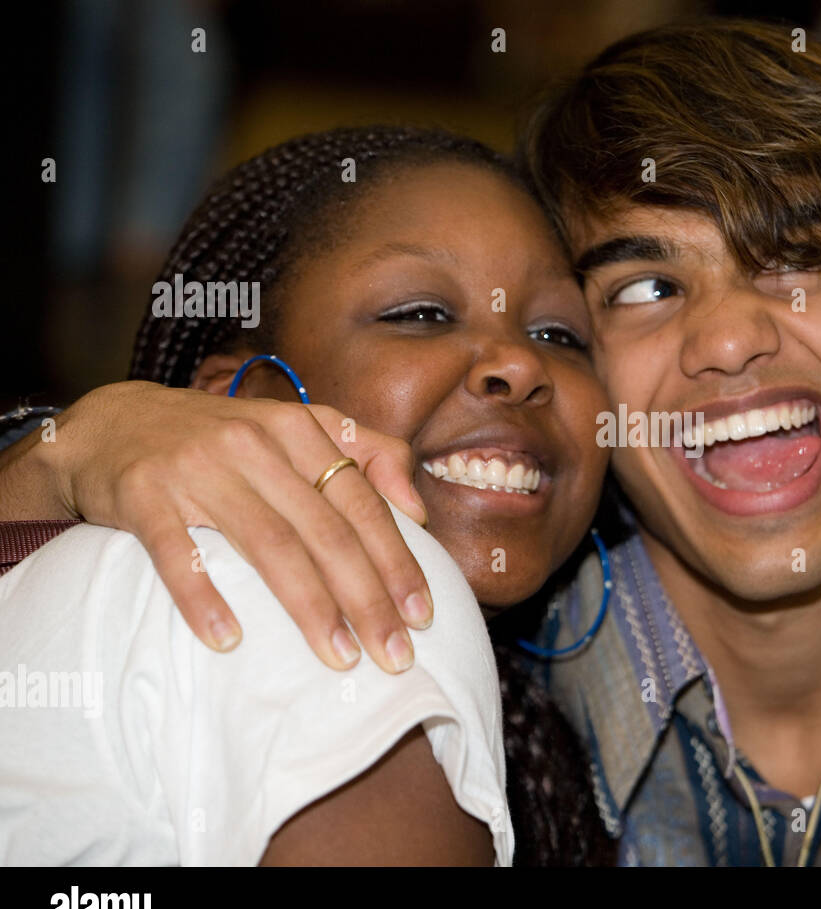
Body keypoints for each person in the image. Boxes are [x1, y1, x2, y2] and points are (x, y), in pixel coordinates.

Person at [5, 21, 821, 866]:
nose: (731, 340)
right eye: (637, 289)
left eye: (792, 264)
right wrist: (62, 444)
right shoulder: (497, 640)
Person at [0, 125, 615, 865]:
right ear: (241, 397)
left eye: (559, 332)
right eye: (420, 314)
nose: (519, 364)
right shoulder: (325, 585)